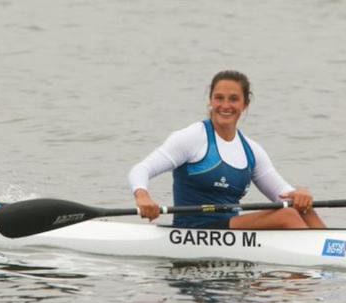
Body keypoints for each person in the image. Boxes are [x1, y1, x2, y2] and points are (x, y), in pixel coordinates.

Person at [128, 70, 326, 229]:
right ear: (211, 101)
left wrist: (300, 193)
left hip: (229, 229)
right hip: (193, 229)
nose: (225, 105)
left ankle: (333, 249)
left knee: (301, 207)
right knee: (288, 216)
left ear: (245, 104)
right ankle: (318, 264)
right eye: (219, 98)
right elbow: (141, 169)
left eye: (233, 99)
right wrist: (142, 195)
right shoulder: (192, 138)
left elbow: (284, 194)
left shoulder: (251, 151)